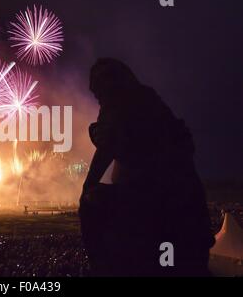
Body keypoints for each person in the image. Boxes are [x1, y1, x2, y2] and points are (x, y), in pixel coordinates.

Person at [80, 58, 214, 276]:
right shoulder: (149, 102)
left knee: (92, 205)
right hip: (182, 211)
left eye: (97, 89)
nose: (95, 94)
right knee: (170, 260)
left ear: (109, 84)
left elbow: (107, 146)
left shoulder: (121, 102)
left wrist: (87, 188)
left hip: (158, 204)